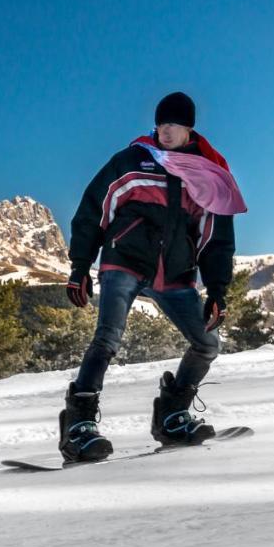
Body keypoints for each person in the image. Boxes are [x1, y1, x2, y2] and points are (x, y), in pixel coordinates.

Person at [59, 91, 246, 463]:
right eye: (161, 123)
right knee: (107, 338)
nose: (164, 130)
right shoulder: (132, 162)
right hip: (125, 260)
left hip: (174, 271)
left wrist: (218, 291)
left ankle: (173, 415)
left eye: (173, 124)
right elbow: (93, 210)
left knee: (207, 343)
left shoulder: (208, 176)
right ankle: (78, 426)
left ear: (188, 127)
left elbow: (216, 241)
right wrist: (80, 265)